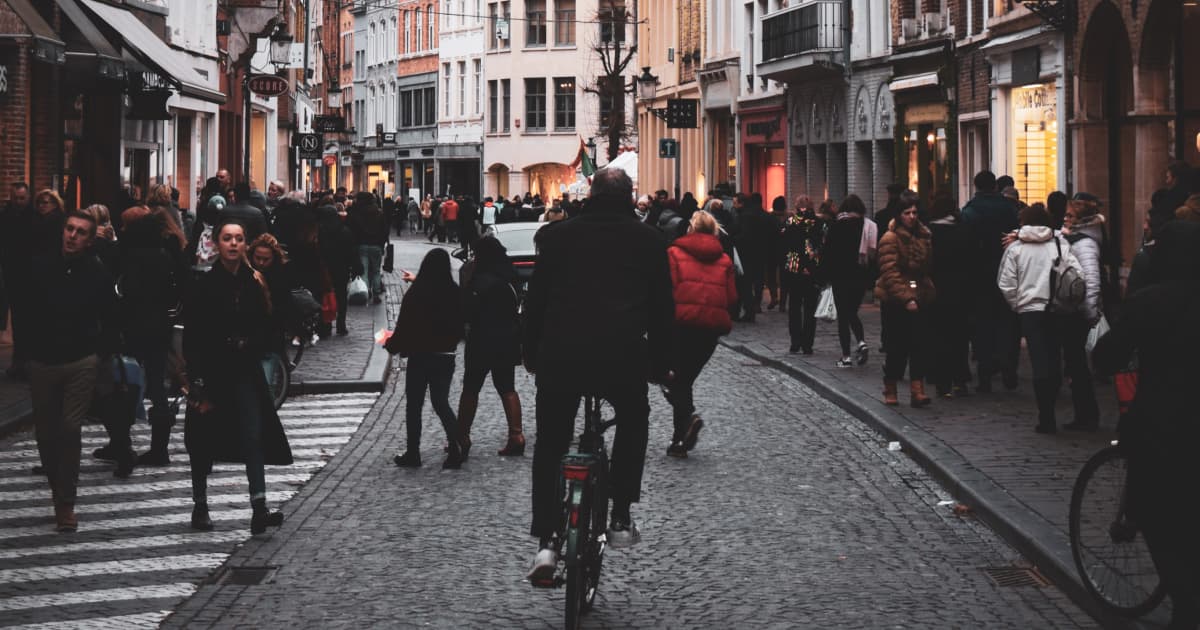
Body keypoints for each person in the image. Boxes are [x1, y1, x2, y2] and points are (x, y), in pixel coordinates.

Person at [523, 168, 674, 580]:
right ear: (629, 198)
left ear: (591, 193)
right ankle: (621, 511)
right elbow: (663, 310)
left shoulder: (555, 237)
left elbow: (535, 302)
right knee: (633, 419)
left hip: (561, 355)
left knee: (551, 441)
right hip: (621, 355)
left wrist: (530, 353)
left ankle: (546, 542)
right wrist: (661, 364)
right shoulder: (650, 240)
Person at [1093, 219, 1200, 630]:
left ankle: (1187, 603)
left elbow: (1109, 356)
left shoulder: (1151, 300)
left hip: (1165, 424)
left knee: (1157, 514)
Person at [184, 220, 292, 534]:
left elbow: (266, 324)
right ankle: (200, 505)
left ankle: (259, 507)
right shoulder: (203, 284)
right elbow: (195, 334)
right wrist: (197, 380)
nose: (233, 244)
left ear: (245, 244)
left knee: (252, 436)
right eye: (227, 238)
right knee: (202, 440)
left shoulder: (254, 282)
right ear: (217, 244)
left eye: (238, 239)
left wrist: (251, 343)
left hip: (245, 370)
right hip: (212, 371)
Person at [26, 211, 119, 531]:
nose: (72, 236)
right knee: (46, 433)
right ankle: (57, 488)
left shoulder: (97, 273)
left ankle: (66, 503)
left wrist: (99, 354)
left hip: (80, 361)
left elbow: (110, 316)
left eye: (80, 232)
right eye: (69, 229)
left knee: (69, 428)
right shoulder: (40, 266)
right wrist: (27, 351)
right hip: (42, 360)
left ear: (90, 239)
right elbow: (26, 309)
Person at [997, 205, 1084, 434]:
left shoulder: (1015, 248)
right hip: (1057, 309)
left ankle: (1046, 416)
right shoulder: (1058, 244)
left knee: (1039, 362)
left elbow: (1006, 283)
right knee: (1054, 359)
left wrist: (1019, 304)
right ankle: (1051, 403)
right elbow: (1077, 275)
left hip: (1030, 311)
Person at [115, 207, 188, 468]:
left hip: (133, 326)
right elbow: (178, 289)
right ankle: (159, 448)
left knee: (125, 384)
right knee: (157, 385)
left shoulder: (131, 257)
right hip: (159, 326)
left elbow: (124, 291)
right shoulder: (165, 256)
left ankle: (122, 444)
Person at [662, 210, 737, 457]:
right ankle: (679, 439)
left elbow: (667, 290)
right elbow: (731, 297)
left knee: (676, 380)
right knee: (684, 380)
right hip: (709, 330)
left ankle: (688, 420)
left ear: (690, 228)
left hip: (681, 326)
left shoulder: (674, 253)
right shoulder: (724, 259)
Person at [384, 248, 467, 469]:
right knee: (441, 402)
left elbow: (404, 327)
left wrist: (391, 345)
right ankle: (456, 445)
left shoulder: (417, 293)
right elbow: (461, 325)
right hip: (445, 356)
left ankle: (413, 453)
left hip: (420, 356)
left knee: (414, 405)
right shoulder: (454, 292)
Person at [457, 236, 525, 456]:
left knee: (471, 388)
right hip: (507, 337)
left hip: (482, 339)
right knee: (507, 387)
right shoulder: (510, 275)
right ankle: (517, 435)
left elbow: (466, 310)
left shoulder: (480, 280)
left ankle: (462, 436)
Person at [961, 170, 1020, 392]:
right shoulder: (1008, 208)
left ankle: (985, 377)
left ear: (976, 186)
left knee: (982, 328)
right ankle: (1008, 372)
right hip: (1007, 272)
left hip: (979, 277)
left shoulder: (970, 211)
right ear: (995, 186)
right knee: (1007, 325)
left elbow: (966, 245)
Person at [875, 199, 935, 407]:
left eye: (914, 212)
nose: (911, 216)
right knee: (896, 346)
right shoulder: (890, 238)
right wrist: (906, 297)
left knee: (919, 345)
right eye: (907, 213)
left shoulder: (923, 236)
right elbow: (889, 272)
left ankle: (917, 390)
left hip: (920, 295)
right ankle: (890, 388)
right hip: (895, 300)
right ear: (899, 216)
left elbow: (927, 267)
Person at [1056, 198, 1104, 430]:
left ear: (1082, 221)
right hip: (1071, 310)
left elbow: (1092, 280)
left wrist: (1089, 311)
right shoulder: (1070, 237)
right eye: (1065, 215)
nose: (1065, 219)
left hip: (1079, 313)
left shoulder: (1085, 244)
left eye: (1070, 216)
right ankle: (1083, 414)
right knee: (1074, 364)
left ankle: (1087, 415)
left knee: (1078, 366)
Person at [927, 194, 973, 398]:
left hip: (935, 291)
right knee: (959, 337)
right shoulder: (963, 231)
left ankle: (942, 381)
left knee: (938, 336)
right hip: (961, 291)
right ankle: (960, 380)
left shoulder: (929, 233)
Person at [823, 195, 871, 367]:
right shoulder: (866, 226)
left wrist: (825, 276)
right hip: (859, 276)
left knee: (843, 316)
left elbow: (827, 252)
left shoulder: (836, 226)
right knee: (852, 312)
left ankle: (846, 357)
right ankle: (861, 342)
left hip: (840, 276)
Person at [779, 195, 825, 354]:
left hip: (794, 265)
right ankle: (808, 343)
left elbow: (783, 243)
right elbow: (822, 245)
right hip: (812, 267)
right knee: (810, 308)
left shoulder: (790, 222)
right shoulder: (819, 223)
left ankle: (795, 341)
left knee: (794, 306)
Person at [733, 193, 774, 322]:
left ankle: (748, 310)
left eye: (736, 203)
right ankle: (755, 303)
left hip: (746, 254)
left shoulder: (745, 216)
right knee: (758, 279)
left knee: (744, 283)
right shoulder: (765, 216)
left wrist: (733, 240)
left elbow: (743, 235)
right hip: (761, 252)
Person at [348, 192, 389, 305]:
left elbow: (353, 229)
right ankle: (376, 293)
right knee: (376, 270)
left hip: (362, 245)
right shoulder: (379, 212)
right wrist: (381, 243)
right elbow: (385, 230)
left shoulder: (357, 212)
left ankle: (365, 292)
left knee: (364, 271)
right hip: (376, 246)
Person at [1148, 160, 1192, 235]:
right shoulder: (1191, 197)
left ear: (1176, 179)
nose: (1166, 181)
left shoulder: (1167, 200)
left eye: (1168, 177)